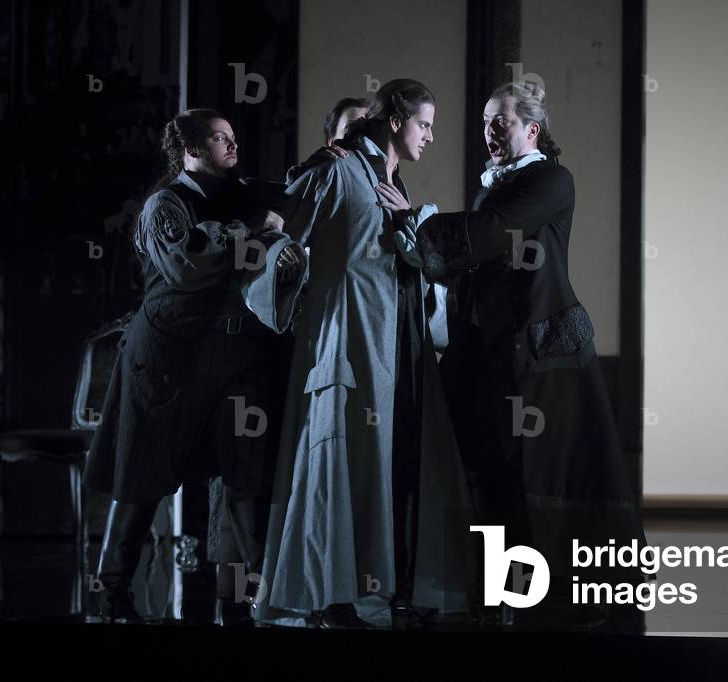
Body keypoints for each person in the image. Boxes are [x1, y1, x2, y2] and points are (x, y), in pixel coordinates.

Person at [391, 81, 648, 627]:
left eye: (501, 121)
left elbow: (488, 234)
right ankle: (499, 597)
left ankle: (564, 603)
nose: (490, 130)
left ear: (532, 129)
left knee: (546, 476)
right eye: (486, 121)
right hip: (491, 353)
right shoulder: (495, 186)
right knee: (490, 474)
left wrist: (419, 220)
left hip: (542, 354)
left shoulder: (552, 180)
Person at [254, 79, 474, 629]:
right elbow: (275, 231)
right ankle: (331, 596)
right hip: (347, 339)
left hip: (393, 343)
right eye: (425, 123)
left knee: (385, 464)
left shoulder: (389, 180)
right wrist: (284, 260)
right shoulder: (334, 168)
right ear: (396, 120)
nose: (431, 135)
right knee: (337, 460)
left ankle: (380, 590)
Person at [85, 108, 307, 623]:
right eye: (219, 137)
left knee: (247, 472)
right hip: (170, 356)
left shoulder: (244, 191)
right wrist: (252, 230)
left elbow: (299, 189)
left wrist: (336, 150)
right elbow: (189, 265)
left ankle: (259, 596)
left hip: (238, 356)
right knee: (143, 474)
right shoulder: (167, 203)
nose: (233, 145)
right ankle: (112, 592)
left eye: (233, 137)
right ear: (190, 147)